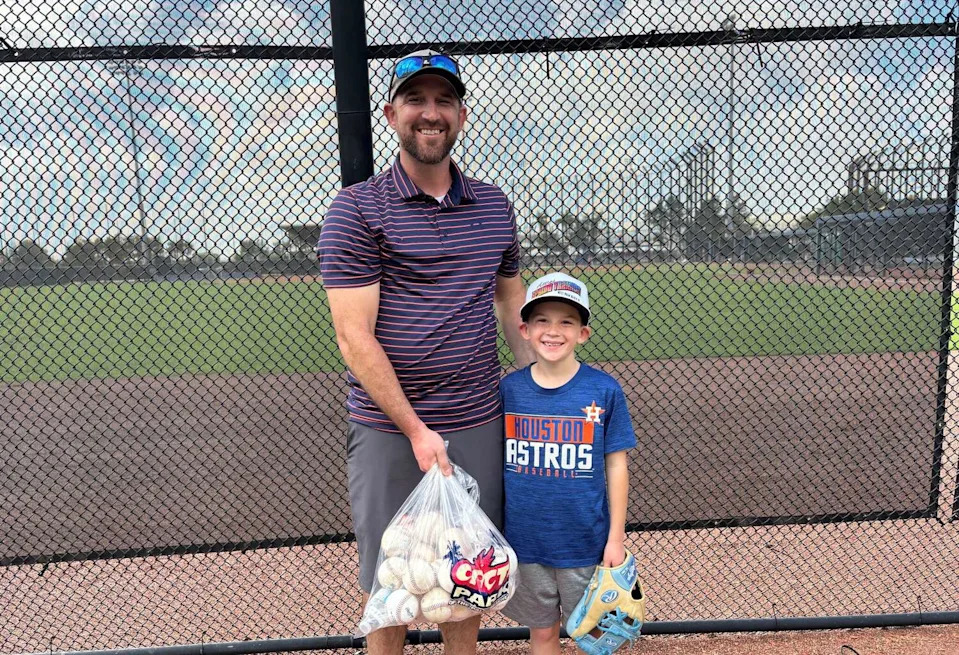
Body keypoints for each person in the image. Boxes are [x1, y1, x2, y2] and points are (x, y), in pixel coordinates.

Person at [317, 49, 533, 655]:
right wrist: (414, 428)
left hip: (478, 418)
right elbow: (353, 337)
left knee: (467, 574)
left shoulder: (494, 206)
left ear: (461, 115)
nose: (430, 113)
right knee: (393, 581)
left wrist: (543, 385)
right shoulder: (357, 209)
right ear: (391, 114)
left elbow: (510, 301)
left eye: (443, 100)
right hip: (389, 428)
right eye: (416, 100)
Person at [500, 272, 637, 655]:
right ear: (524, 329)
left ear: (583, 334)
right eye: (542, 320)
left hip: (585, 544)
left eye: (567, 321)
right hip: (526, 544)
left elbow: (616, 466)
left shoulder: (603, 390)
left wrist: (615, 538)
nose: (553, 330)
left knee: (597, 635)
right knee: (543, 634)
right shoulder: (509, 391)